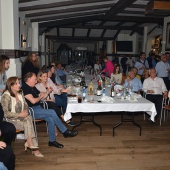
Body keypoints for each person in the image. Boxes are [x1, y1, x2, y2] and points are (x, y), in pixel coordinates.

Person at [22, 72, 78, 148]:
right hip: (31, 111)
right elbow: (33, 101)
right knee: (52, 112)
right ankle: (64, 131)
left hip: (39, 108)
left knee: (51, 119)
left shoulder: (32, 87)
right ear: (29, 79)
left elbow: (42, 96)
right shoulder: (25, 88)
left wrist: (47, 92)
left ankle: (52, 141)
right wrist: (40, 97)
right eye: (35, 79)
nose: (36, 81)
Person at [1, 77, 43, 157]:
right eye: (17, 83)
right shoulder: (5, 96)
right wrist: (19, 115)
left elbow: (26, 105)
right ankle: (34, 148)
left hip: (22, 117)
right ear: (11, 86)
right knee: (29, 123)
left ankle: (29, 142)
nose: (19, 85)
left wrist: (25, 111)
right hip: (10, 120)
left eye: (19, 83)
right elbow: (5, 113)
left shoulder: (20, 93)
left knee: (28, 118)